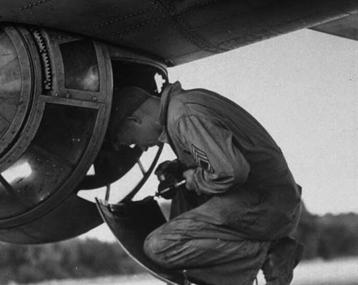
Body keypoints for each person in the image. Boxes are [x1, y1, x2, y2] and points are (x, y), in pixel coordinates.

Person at [107, 82, 303, 285]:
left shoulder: (184, 117)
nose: (141, 148)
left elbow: (230, 171)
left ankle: (270, 250)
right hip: (271, 201)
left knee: (159, 247)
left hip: (265, 206)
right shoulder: (183, 106)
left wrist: (194, 178)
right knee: (182, 194)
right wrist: (179, 169)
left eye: (131, 140)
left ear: (135, 120)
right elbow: (219, 156)